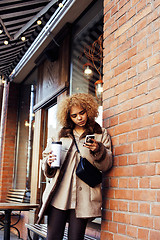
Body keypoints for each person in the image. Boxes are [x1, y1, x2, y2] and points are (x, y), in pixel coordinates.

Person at [38, 93, 112, 240]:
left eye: (82, 113)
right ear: (68, 117)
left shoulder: (100, 134)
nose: (79, 118)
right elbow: (45, 161)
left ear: (89, 110)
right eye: (74, 115)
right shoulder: (59, 134)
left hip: (84, 198)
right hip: (59, 196)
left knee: (76, 238)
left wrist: (98, 149)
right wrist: (48, 162)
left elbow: (107, 165)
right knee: (53, 237)